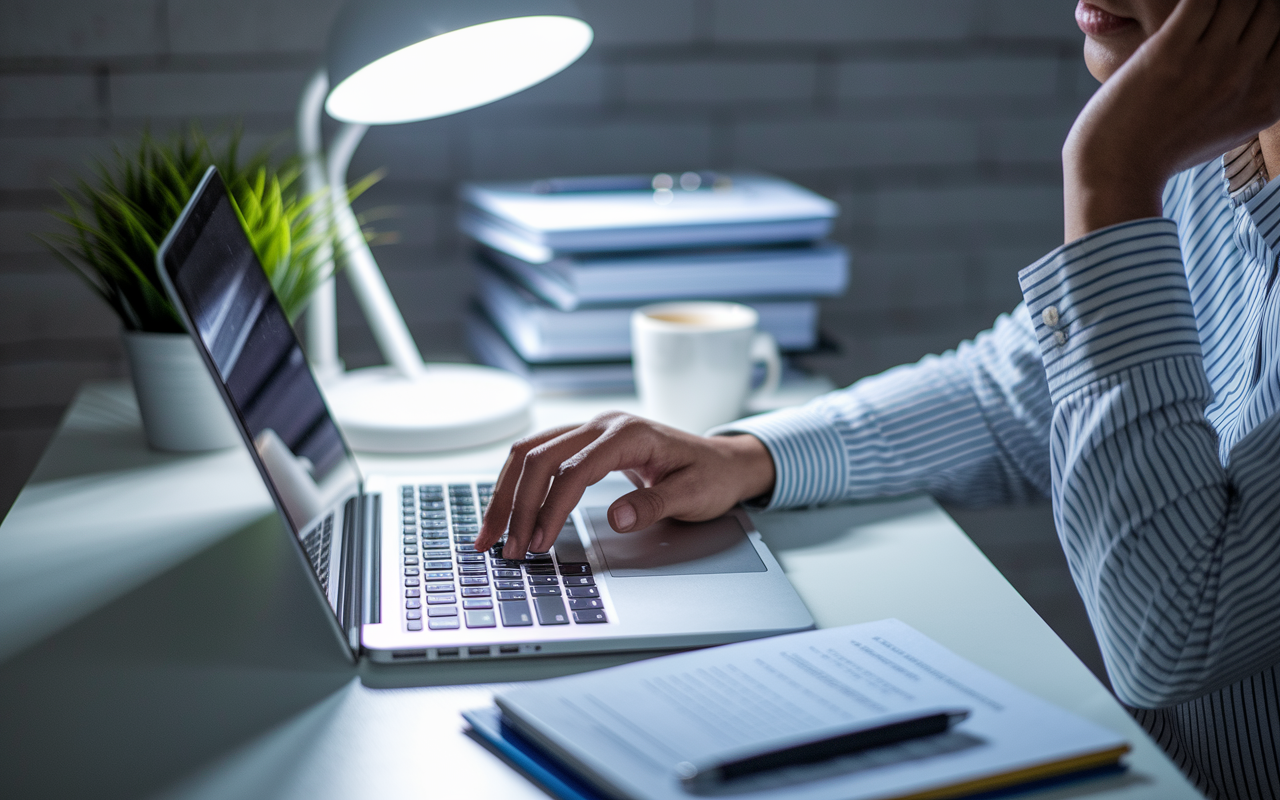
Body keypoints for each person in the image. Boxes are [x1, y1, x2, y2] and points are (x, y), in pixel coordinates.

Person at [476, 1, 1280, 796]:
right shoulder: (1212, 162)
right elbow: (1017, 391)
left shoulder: (1147, 153)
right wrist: (744, 456)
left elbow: (1170, 634)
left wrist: (1111, 172)